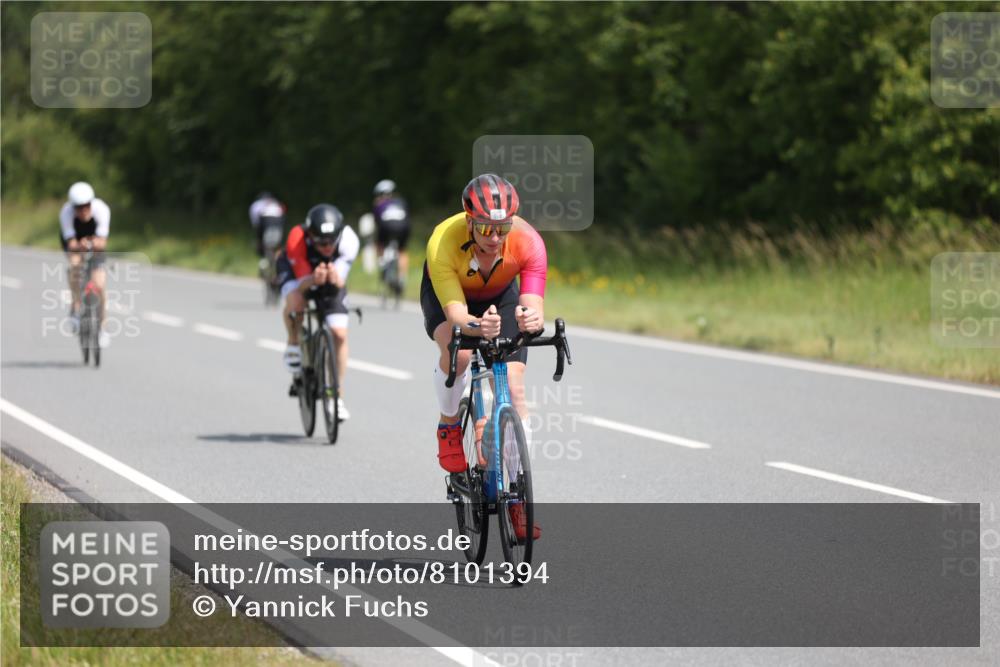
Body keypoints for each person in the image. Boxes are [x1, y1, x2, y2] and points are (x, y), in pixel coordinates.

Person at [422, 173, 546, 540]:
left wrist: (530, 318)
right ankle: (448, 423)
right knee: (457, 351)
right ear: (468, 220)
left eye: (502, 228)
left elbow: (532, 302)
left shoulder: (529, 242)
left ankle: (517, 497)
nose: (494, 238)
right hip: (452, 295)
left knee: (513, 385)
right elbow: (459, 318)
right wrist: (477, 328)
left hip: (500, 293)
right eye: (485, 229)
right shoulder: (443, 241)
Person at [276, 204, 359, 420]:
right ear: (311, 236)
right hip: (296, 272)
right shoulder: (297, 238)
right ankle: (293, 342)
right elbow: (303, 286)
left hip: (328, 277)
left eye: (332, 240)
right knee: (296, 304)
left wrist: (332, 276)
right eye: (322, 242)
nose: (328, 247)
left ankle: (336, 396)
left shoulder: (349, 240)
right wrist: (313, 279)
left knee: (339, 333)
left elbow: (340, 281)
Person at [59, 182, 111, 348]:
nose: (83, 210)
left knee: (100, 285)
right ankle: (75, 306)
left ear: (91, 203)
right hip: (75, 240)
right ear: (73, 207)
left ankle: (103, 327)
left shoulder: (102, 210)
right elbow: (70, 241)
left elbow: (102, 242)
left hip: (95, 242)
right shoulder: (66, 213)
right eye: (79, 207)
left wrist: (91, 243)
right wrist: (78, 245)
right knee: (75, 266)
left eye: (87, 206)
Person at [372, 179, 410, 287]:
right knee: (402, 250)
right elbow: (407, 217)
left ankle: (382, 263)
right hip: (403, 227)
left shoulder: (378, 204)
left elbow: (376, 222)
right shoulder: (401, 202)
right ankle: (402, 276)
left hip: (386, 226)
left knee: (379, 243)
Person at [248, 191, 287, 260]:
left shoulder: (256, 204)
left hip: (265, 219)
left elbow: (255, 221)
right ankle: (279, 257)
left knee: (261, 242)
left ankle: (264, 258)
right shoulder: (275, 202)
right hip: (279, 220)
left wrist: (258, 235)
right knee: (279, 243)